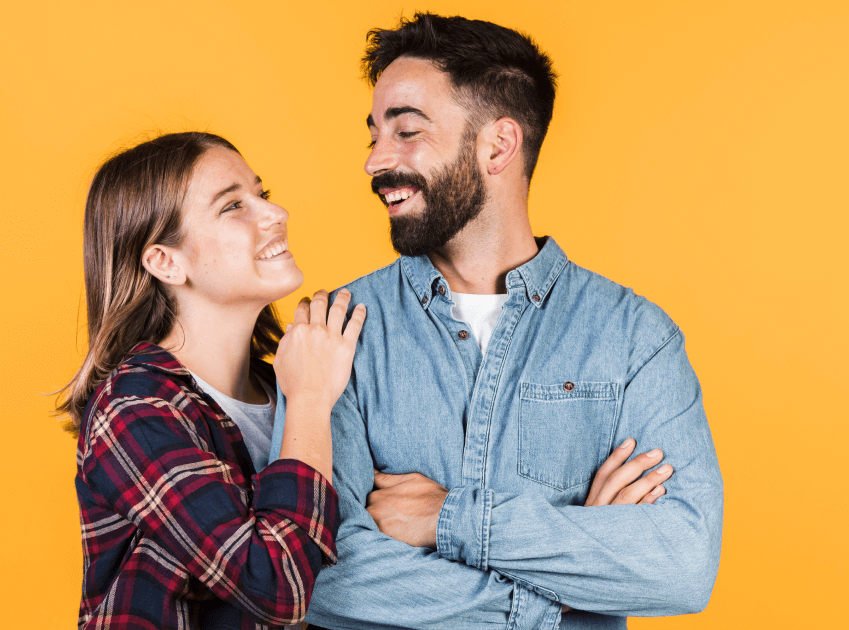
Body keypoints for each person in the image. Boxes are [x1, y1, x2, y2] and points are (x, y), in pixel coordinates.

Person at [269, 13, 723, 629]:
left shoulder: (634, 338)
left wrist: (449, 518)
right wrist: (568, 582)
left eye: (406, 132)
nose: (376, 161)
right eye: (375, 134)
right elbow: (319, 575)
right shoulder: (336, 332)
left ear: (498, 146)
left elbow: (680, 566)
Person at [61, 132, 366, 629]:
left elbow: (369, 543)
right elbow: (277, 586)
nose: (276, 213)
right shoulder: (135, 409)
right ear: (166, 261)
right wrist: (310, 399)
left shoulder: (286, 383)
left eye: (261, 194)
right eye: (232, 207)